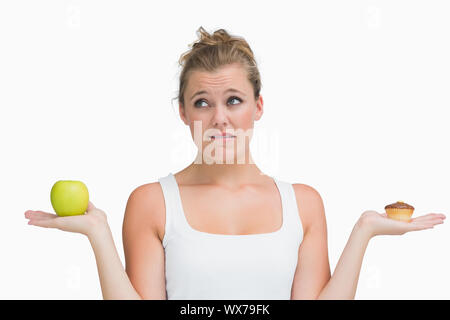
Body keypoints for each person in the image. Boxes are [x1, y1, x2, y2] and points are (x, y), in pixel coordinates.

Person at [24, 26, 446, 300]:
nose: (219, 118)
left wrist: (364, 231)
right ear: (184, 114)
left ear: (258, 107)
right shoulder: (152, 202)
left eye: (234, 101)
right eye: (202, 103)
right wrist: (98, 234)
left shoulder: (303, 203)